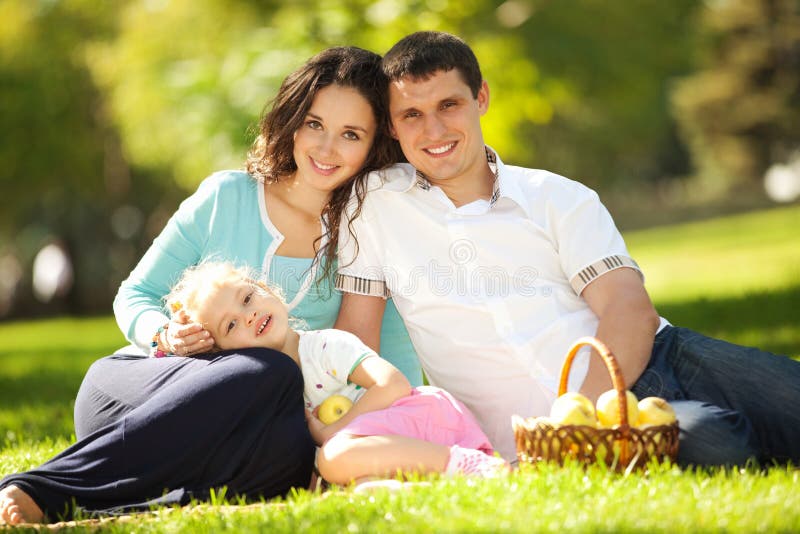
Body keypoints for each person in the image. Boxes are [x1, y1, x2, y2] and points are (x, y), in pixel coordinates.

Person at [334, 31, 800, 466]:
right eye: (411, 114)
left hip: (661, 355)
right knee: (712, 441)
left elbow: (628, 309)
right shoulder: (374, 204)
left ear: (481, 98)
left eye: (449, 105)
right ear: (392, 127)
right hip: (539, 435)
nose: (432, 129)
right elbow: (357, 335)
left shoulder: (556, 195)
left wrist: (582, 419)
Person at [0, 46, 419, 525]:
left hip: (256, 428)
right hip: (145, 396)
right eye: (314, 124)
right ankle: (41, 488)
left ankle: (141, 496)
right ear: (291, 121)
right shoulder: (226, 197)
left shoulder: (372, 233)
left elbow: (391, 366)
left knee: (288, 435)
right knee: (272, 370)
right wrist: (163, 335)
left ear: (373, 147)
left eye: (351, 134)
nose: (327, 149)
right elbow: (135, 295)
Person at [165, 261, 508, 485]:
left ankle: (465, 464)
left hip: (418, 417)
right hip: (374, 452)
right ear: (228, 354)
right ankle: (430, 483)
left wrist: (330, 431)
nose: (249, 316)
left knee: (333, 457)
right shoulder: (269, 388)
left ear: (268, 291)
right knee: (361, 488)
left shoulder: (325, 347)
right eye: (231, 324)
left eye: (247, 299)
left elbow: (393, 385)